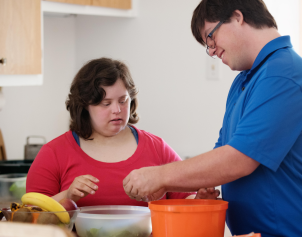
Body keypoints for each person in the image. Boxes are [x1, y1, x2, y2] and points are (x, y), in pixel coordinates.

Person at [123, 0, 302, 237]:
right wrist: (200, 187)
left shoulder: (284, 74)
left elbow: (239, 160)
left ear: (237, 17)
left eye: (211, 37)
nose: (211, 50)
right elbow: (223, 151)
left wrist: (161, 177)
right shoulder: (245, 81)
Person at [26, 58, 219, 207]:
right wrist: (67, 196)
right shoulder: (54, 153)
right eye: (106, 103)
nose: (117, 110)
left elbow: (184, 201)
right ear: (84, 106)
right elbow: (29, 216)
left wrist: (199, 199)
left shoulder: (157, 147)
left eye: (123, 100)